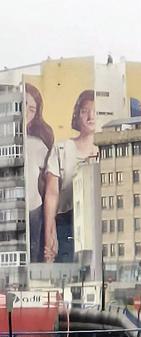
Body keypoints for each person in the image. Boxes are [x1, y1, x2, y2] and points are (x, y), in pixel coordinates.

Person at [44, 90, 99, 263]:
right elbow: (52, 194)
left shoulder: (109, 148)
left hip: (100, 220)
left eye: (95, 111)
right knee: (68, 271)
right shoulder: (61, 150)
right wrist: (49, 234)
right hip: (67, 223)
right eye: (84, 111)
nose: (90, 116)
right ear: (77, 115)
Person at [22, 84, 55, 263]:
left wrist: (51, 234)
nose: (26, 111)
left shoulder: (37, 144)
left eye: (32, 109)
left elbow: (49, 187)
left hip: (32, 212)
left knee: (32, 260)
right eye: (23, 104)